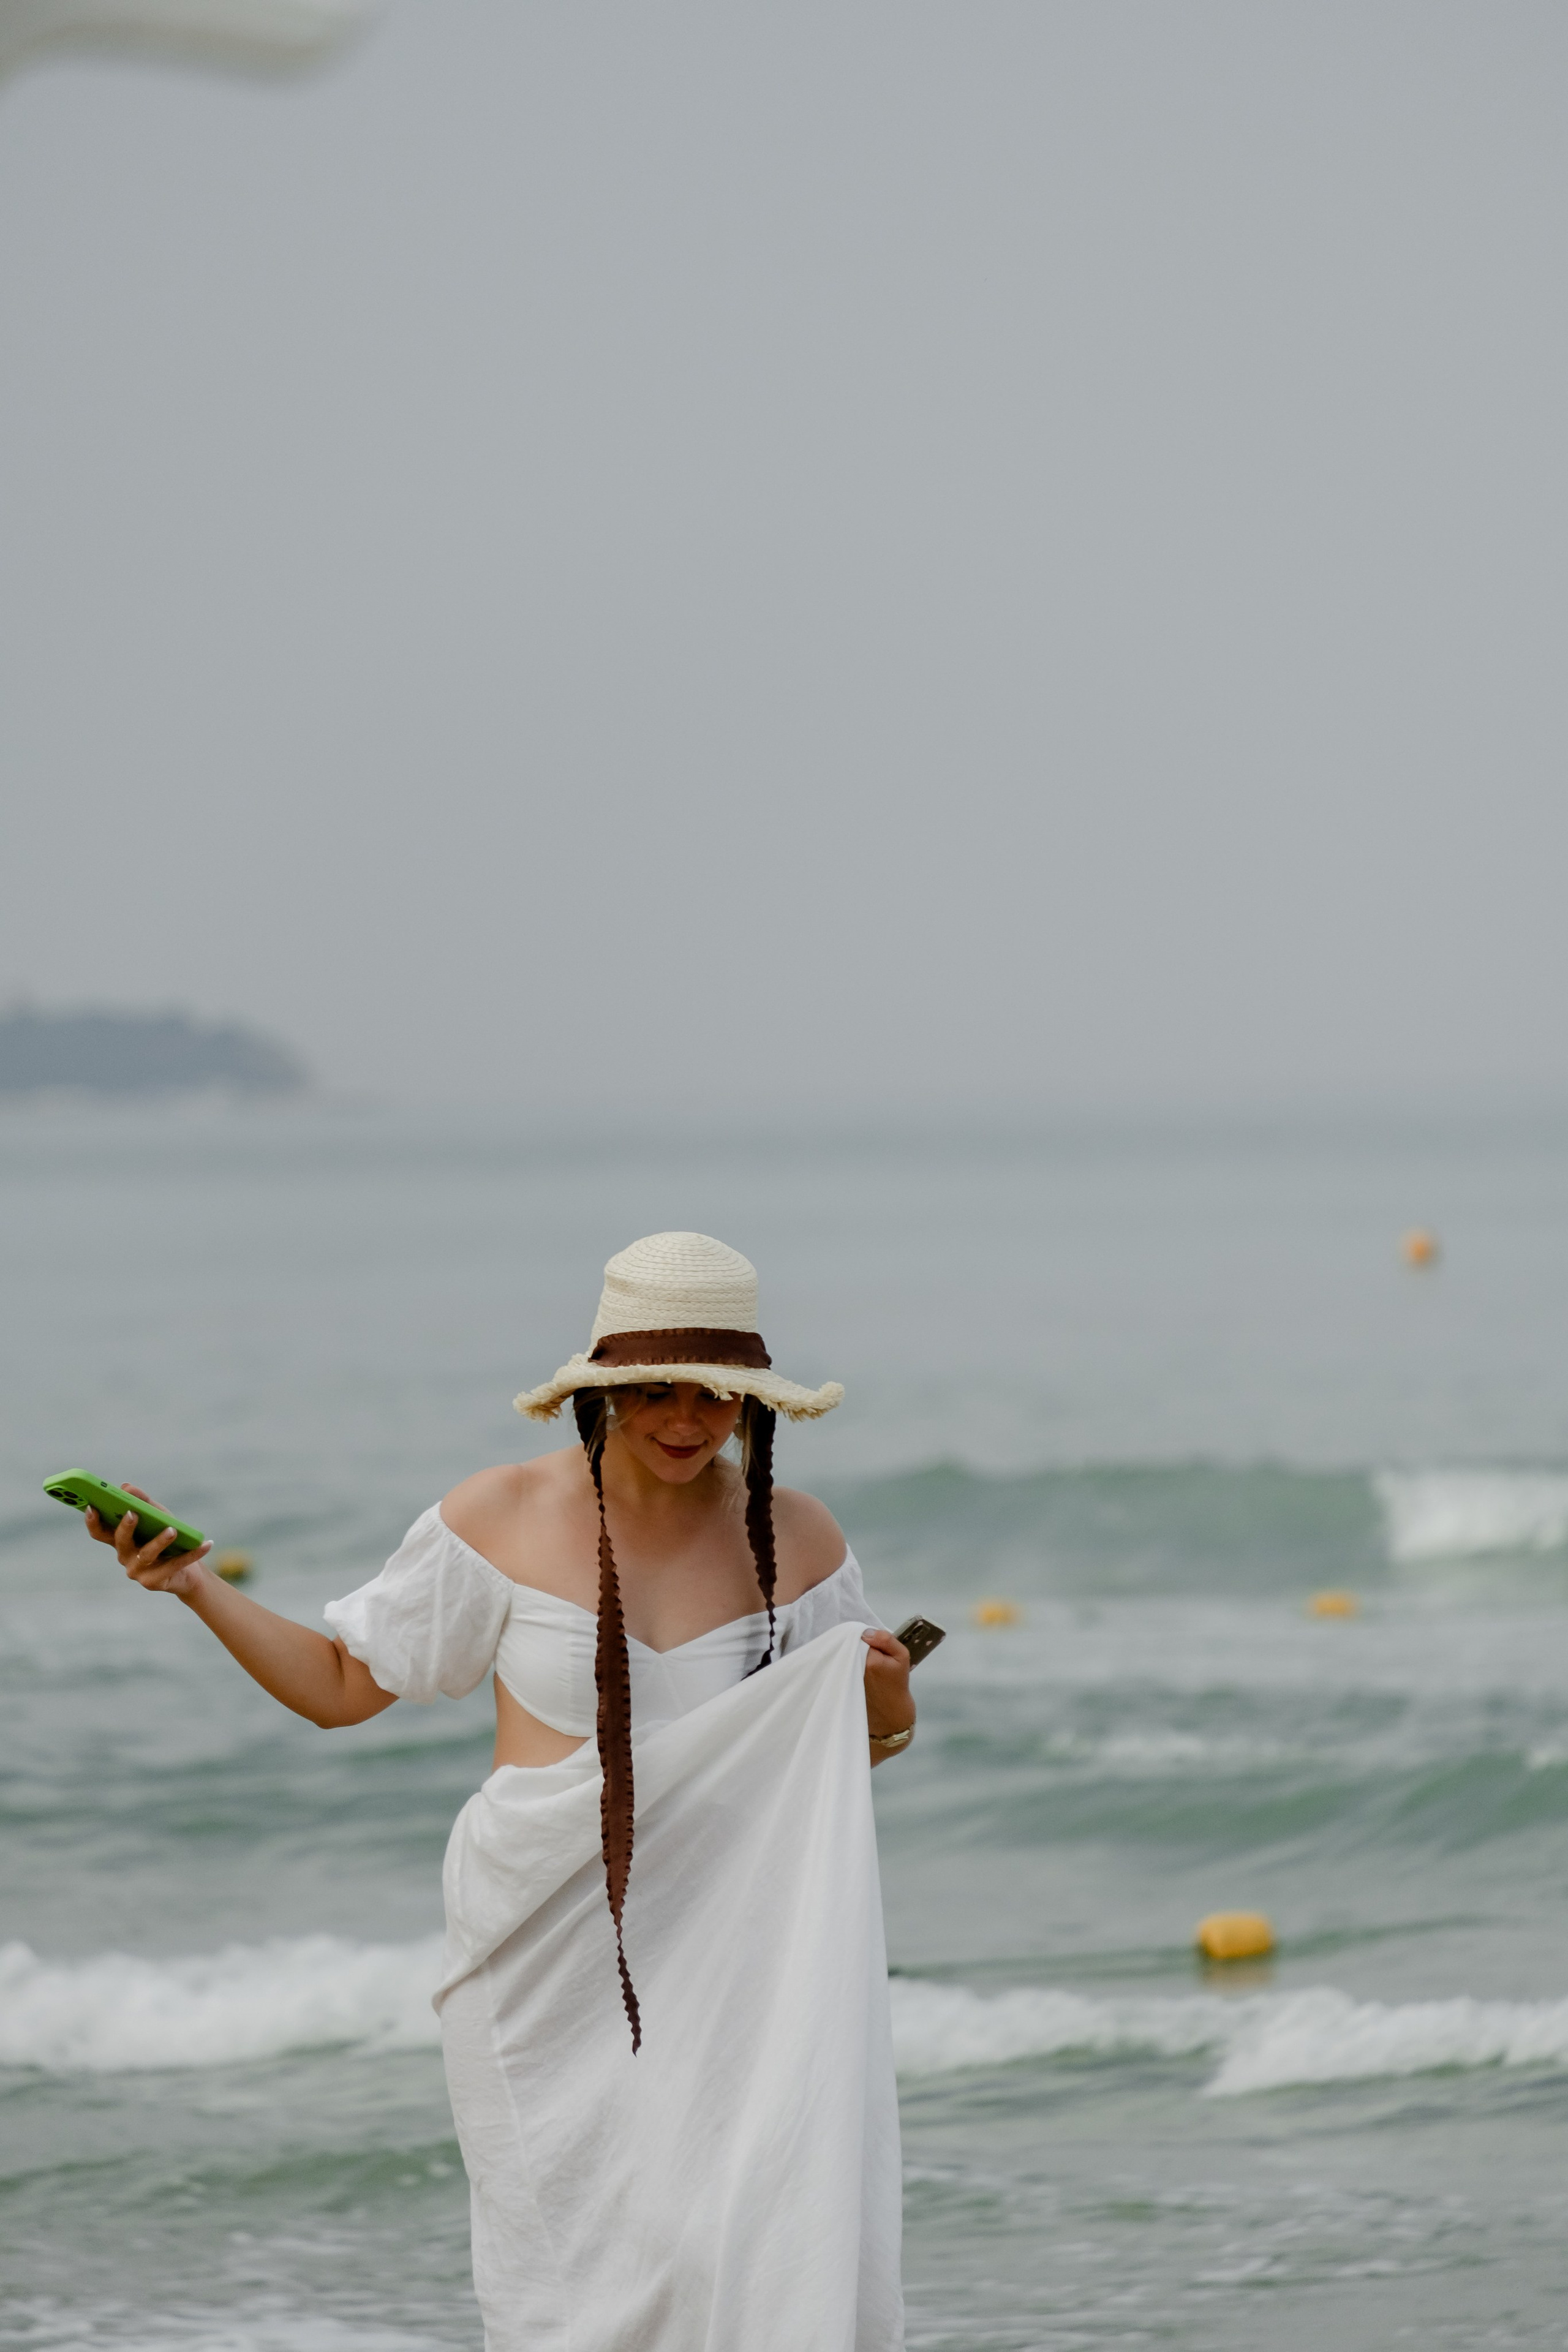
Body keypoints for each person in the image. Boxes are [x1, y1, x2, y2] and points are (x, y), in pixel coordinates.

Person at [89, 1231, 914, 2352]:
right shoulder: (502, 1515)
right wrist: (191, 1585)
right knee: (567, 2258)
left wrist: (883, 1695)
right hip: (540, 1945)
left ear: (750, 1402)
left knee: (732, 2231)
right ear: (604, 1390)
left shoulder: (797, 1536)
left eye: (715, 1396)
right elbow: (341, 1688)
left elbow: (849, 1755)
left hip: (732, 1946)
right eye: (654, 1390)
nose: (686, 1419)